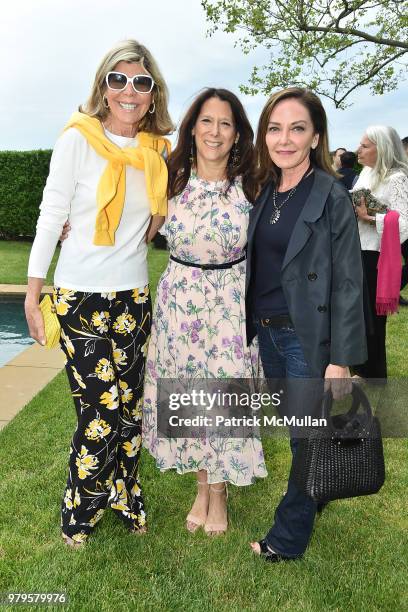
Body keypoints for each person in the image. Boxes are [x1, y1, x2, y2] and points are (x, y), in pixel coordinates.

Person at [25, 40, 173, 547]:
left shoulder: (158, 151)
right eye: (118, 79)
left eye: (141, 82)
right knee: (101, 412)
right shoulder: (78, 139)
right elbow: (50, 215)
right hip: (79, 297)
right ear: (103, 87)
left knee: (128, 409)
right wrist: (32, 293)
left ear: (153, 95)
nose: (129, 91)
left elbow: (157, 221)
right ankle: (78, 509)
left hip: (132, 295)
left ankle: (124, 493)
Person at [245, 87, 366, 562]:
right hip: (269, 332)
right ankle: (318, 488)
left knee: (305, 436)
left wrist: (340, 359)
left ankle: (287, 537)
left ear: (316, 136)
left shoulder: (331, 195)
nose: (285, 139)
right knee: (302, 433)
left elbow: (349, 283)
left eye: (297, 128)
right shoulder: (265, 190)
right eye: (275, 128)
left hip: (306, 337)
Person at [142, 88, 267, 536]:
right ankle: (202, 487)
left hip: (232, 305)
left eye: (226, 123)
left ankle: (220, 492)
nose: (215, 132)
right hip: (181, 305)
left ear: (237, 134)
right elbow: (133, 224)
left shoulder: (254, 183)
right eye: (207, 121)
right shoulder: (168, 178)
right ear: (192, 127)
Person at [353, 126, 408, 379]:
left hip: (376, 257)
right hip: (355, 253)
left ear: (382, 148)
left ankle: (373, 378)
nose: (358, 150)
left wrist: (371, 218)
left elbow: (405, 224)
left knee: (373, 326)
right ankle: (359, 374)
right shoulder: (365, 172)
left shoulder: (397, 178)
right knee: (357, 322)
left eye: (365, 146)